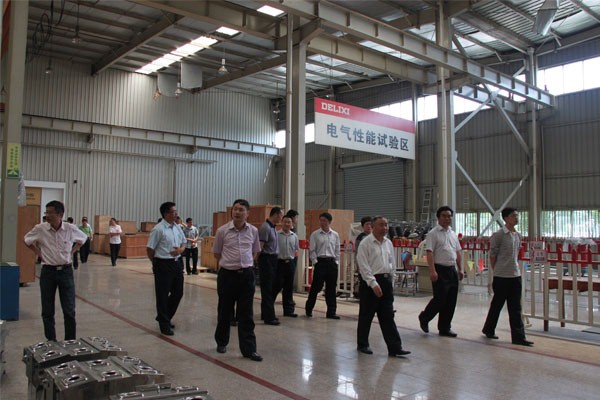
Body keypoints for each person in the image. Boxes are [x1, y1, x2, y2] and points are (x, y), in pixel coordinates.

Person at [24, 200, 88, 341]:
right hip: (48, 272)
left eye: (50, 213)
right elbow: (27, 240)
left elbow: (83, 239)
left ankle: (70, 341)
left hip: (65, 272)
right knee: (47, 310)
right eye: (46, 212)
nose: (47, 216)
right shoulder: (40, 229)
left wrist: (72, 251)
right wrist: (38, 253)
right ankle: (51, 341)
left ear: (60, 214)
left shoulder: (70, 229)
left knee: (69, 309)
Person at [213, 199, 262, 362]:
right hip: (227, 275)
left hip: (246, 276)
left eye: (241, 210)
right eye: (235, 209)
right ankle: (221, 342)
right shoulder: (222, 231)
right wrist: (230, 264)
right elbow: (217, 253)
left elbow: (255, 251)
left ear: (247, 214)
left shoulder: (253, 231)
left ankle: (249, 349)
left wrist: (245, 264)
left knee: (246, 314)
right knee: (225, 310)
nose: (237, 212)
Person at [356, 216, 411, 357]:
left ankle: (395, 347)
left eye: (386, 225)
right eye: (381, 225)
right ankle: (363, 344)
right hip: (370, 283)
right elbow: (363, 266)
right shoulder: (365, 243)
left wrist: (392, 280)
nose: (384, 228)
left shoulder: (388, 243)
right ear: (373, 227)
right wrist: (373, 283)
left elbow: (392, 262)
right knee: (366, 315)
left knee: (388, 315)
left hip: (386, 282)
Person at [482, 208, 534, 346]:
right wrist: (497, 270)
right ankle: (489, 329)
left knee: (515, 307)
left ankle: (518, 337)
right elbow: (492, 255)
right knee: (497, 305)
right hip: (501, 276)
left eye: (517, 215)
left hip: (515, 275)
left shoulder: (518, 235)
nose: (516, 218)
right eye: (513, 216)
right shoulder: (498, 235)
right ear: (505, 218)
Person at [418, 206, 463, 337]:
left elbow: (458, 252)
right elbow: (429, 252)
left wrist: (460, 269)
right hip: (440, 269)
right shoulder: (433, 234)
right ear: (438, 218)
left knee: (451, 301)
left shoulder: (453, 234)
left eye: (449, 216)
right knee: (440, 299)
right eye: (444, 216)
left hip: (452, 269)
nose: (447, 218)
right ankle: (424, 317)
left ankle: (445, 328)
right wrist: (432, 271)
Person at [146, 202, 187, 336]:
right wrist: (156, 263)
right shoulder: (158, 229)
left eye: (176, 211)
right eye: (173, 212)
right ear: (166, 214)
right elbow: (150, 249)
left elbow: (184, 242)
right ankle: (164, 324)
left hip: (177, 263)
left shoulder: (177, 227)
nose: (176, 214)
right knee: (162, 295)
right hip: (163, 264)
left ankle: (165, 316)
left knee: (178, 293)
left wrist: (180, 250)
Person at [306, 212, 341, 319]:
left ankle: (331, 312)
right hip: (320, 263)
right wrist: (315, 262)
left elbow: (337, 250)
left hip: (331, 263)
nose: (322, 222)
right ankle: (309, 309)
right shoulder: (315, 234)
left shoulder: (335, 235)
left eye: (324, 220)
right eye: (321, 220)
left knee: (331, 289)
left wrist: (336, 262)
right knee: (316, 287)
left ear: (329, 222)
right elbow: (312, 250)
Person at [258, 207, 284, 325]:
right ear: (276, 214)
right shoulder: (266, 228)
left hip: (273, 259)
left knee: (273, 286)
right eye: (281, 216)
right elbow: (260, 247)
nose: (281, 218)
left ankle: (266, 313)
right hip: (267, 259)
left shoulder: (273, 227)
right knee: (267, 289)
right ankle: (269, 317)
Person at [273, 215, 300, 318]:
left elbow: (296, 250)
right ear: (281, 223)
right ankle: (268, 310)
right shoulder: (276, 235)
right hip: (279, 263)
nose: (287, 224)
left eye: (289, 222)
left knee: (289, 288)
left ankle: (288, 311)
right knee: (276, 287)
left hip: (290, 263)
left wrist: (294, 263)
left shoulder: (294, 236)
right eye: (285, 222)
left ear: (292, 224)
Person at [353, 216, 373, 298]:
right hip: (364, 265)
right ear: (362, 226)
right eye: (367, 224)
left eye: (370, 224)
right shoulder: (360, 237)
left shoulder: (376, 236)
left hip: (374, 265)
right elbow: (357, 252)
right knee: (364, 284)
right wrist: (358, 265)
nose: (369, 226)